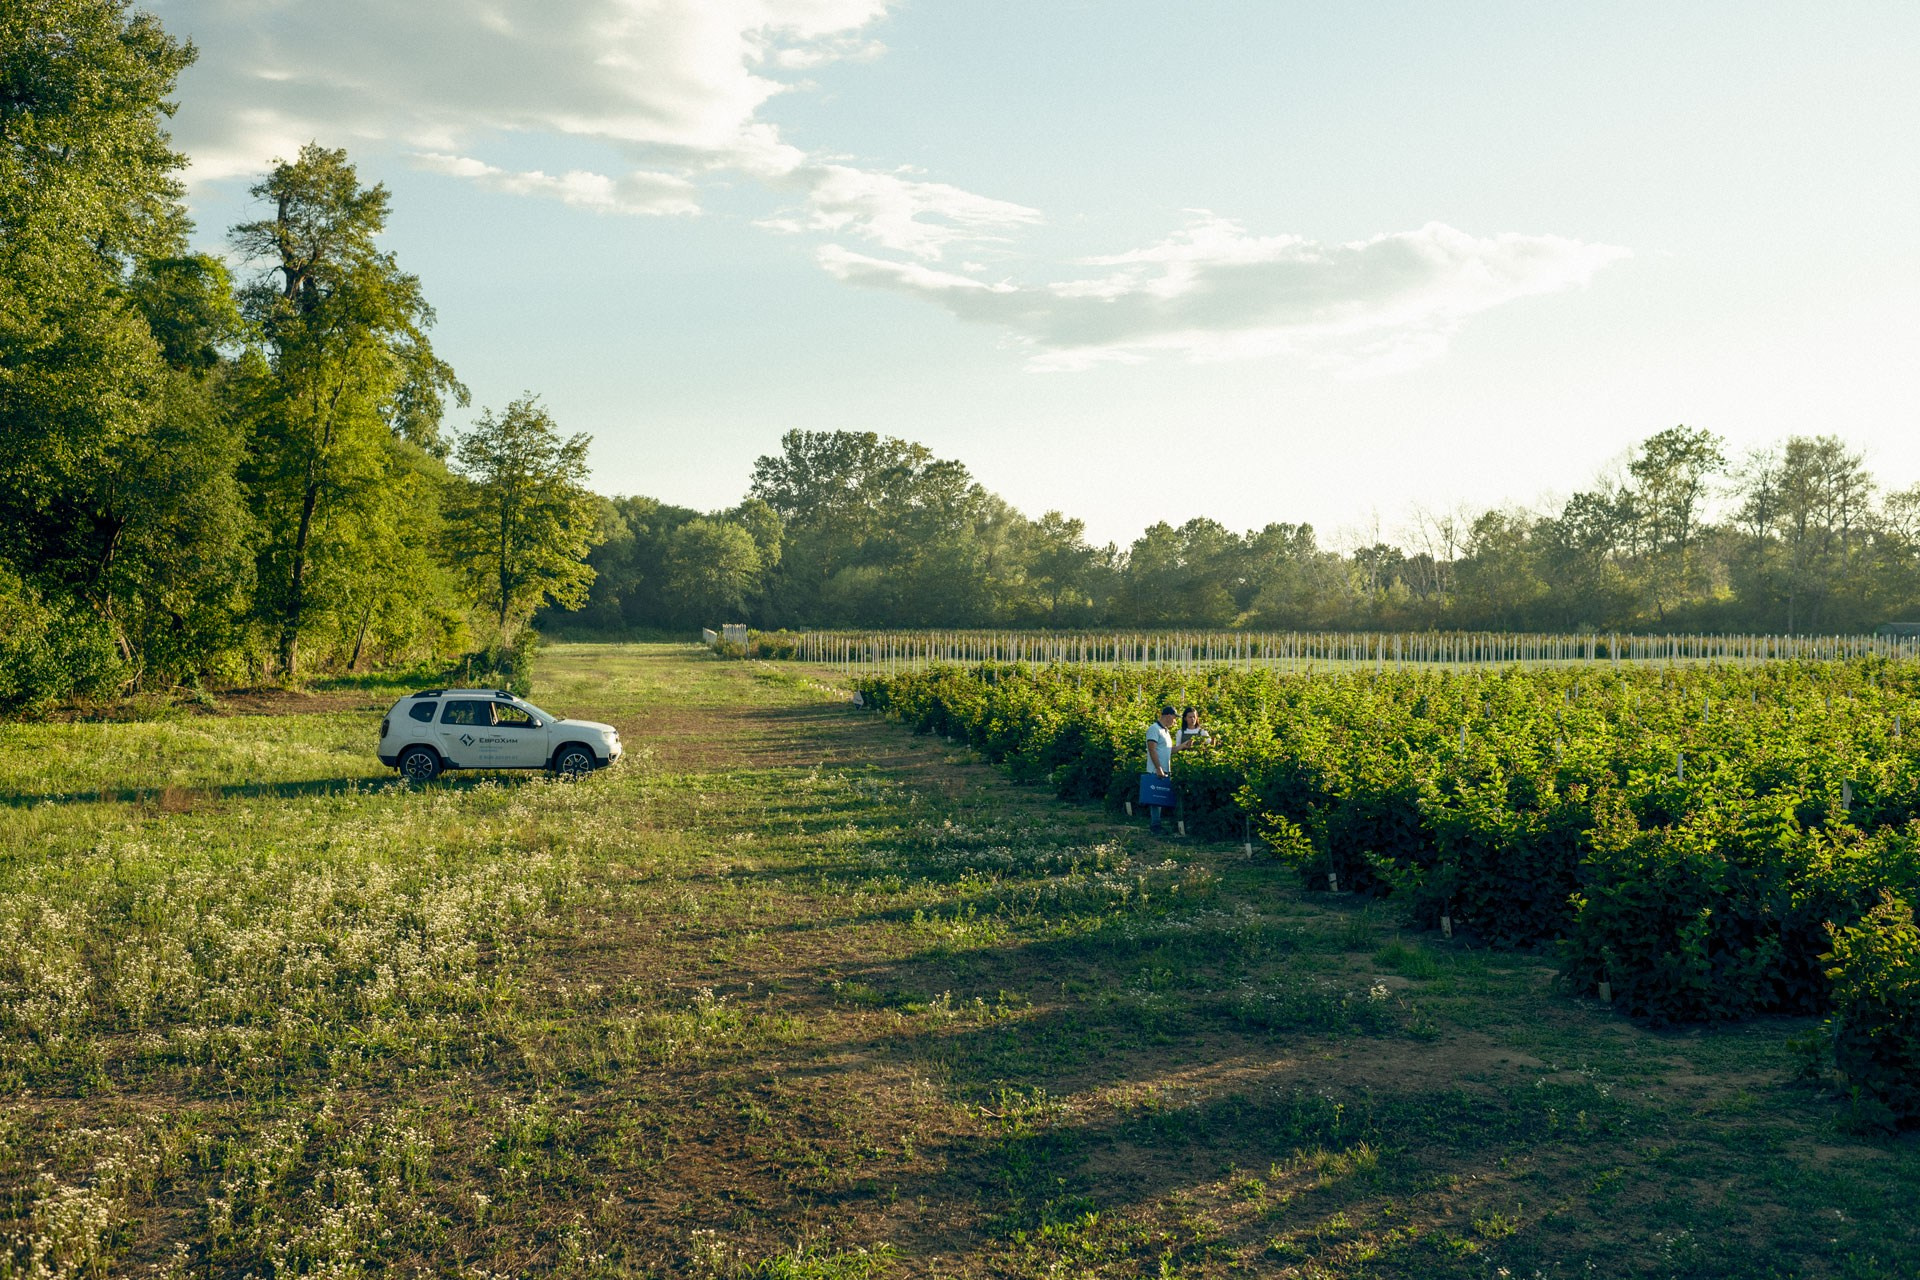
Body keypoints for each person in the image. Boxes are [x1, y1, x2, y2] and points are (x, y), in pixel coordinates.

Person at [1144, 704, 1177, 834]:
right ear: (1168, 716)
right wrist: (1158, 768)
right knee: (1155, 798)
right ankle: (1155, 826)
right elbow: (1152, 749)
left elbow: (1168, 751)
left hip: (1165, 769)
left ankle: (1158, 825)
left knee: (1161, 798)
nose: (1175, 721)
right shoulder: (1154, 729)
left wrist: (1183, 746)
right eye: (1174, 718)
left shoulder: (1166, 731)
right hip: (1156, 770)